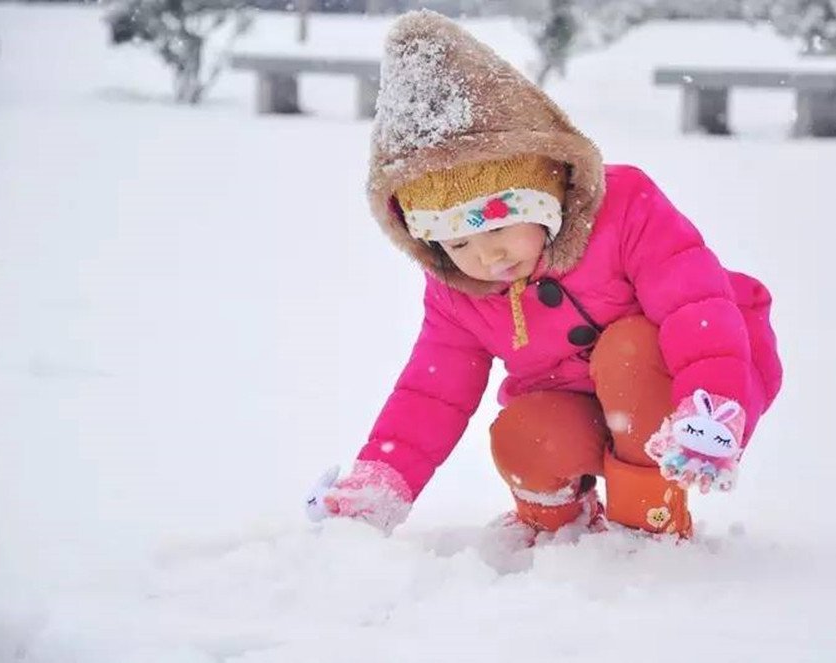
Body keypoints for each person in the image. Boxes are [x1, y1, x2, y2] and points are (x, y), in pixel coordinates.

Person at [304, 10, 782, 542]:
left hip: (685, 382)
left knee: (628, 347)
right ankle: (558, 531)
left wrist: (713, 403)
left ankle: (650, 528)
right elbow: (429, 393)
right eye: (458, 243)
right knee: (520, 433)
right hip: (581, 404)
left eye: (500, 226)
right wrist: (381, 482)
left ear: (544, 197)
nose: (486, 257)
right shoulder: (458, 293)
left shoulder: (626, 210)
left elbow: (696, 305)